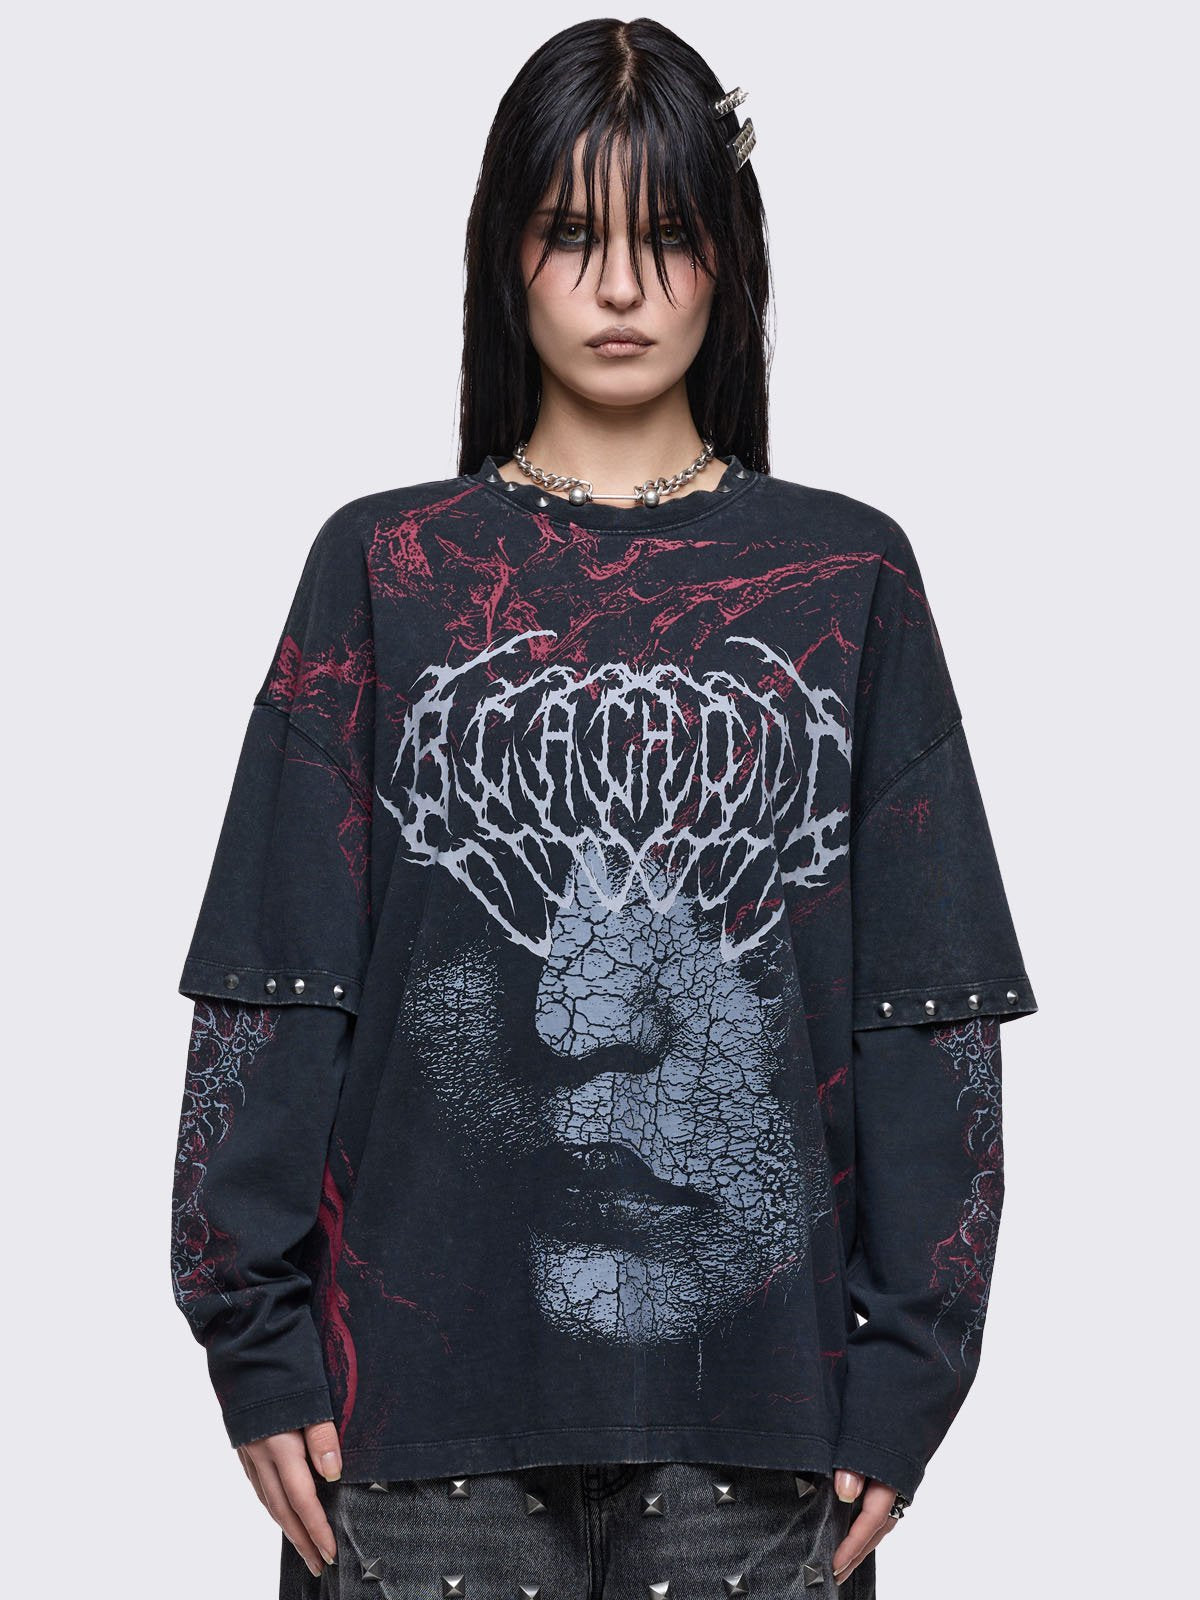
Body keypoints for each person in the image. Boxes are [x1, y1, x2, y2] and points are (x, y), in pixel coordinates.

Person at [168, 18, 1038, 1597]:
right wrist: (258, 1343)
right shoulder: (384, 568)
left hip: (764, 1438)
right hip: (406, 1435)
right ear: (506, 250)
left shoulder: (848, 578)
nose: (622, 288)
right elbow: (272, 983)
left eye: (668, 235)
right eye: (574, 234)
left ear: (731, 260)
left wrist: (913, 1373)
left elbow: (931, 1010)